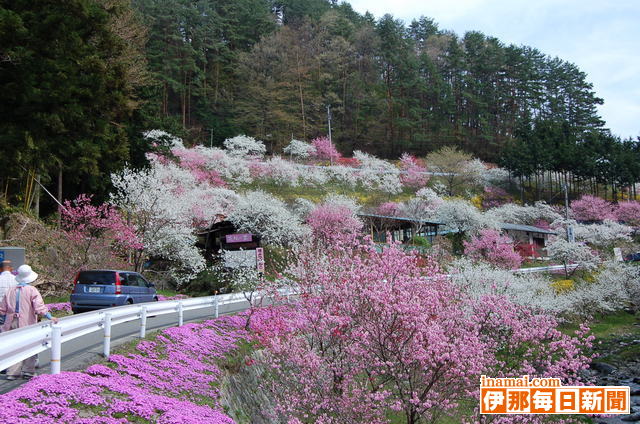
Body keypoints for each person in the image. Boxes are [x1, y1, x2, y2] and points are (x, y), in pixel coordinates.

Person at [0, 264, 58, 380]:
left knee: (13, 346)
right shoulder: (32, 290)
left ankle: (12, 372)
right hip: (27, 322)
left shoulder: (10, 290)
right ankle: (28, 371)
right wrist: (49, 316)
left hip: (11, 323)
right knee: (30, 345)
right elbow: (39, 308)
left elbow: (2, 309)